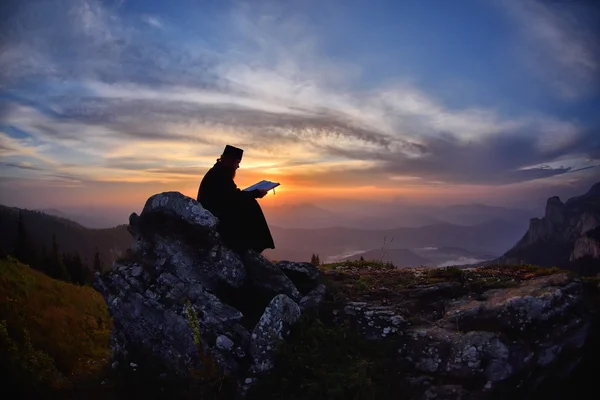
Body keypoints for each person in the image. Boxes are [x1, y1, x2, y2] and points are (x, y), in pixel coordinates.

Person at [197, 145, 275, 253]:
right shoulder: (220, 174)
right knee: (250, 204)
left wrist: (252, 194)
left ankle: (253, 244)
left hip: (217, 210)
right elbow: (232, 197)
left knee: (248, 202)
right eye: (237, 163)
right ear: (230, 161)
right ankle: (252, 245)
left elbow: (230, 195)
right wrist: (256, 193)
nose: (238, 166)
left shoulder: (219, 171)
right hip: (216, 214)